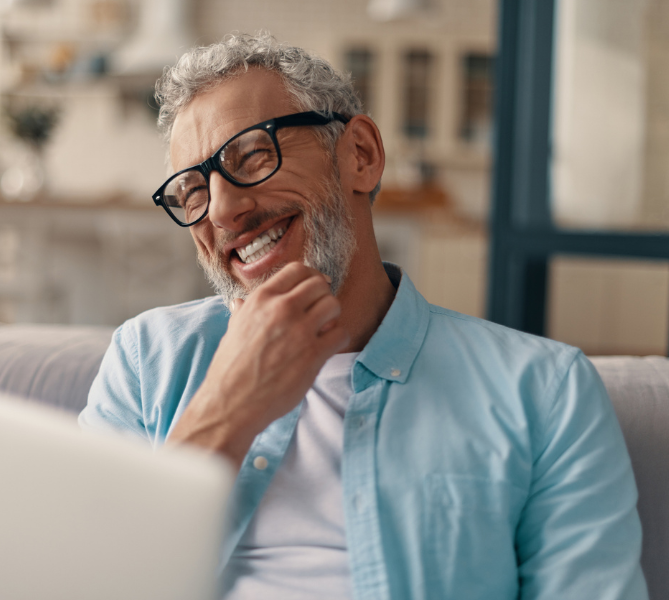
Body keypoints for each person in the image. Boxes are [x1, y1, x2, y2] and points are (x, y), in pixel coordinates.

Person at [79, 33, 647, 600]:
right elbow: (80, 577)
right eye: (194, 191)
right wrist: (227, 409)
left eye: (252, 155)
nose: (224, 210)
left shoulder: (545, 391)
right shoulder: (146, 361)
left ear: (360, 155)